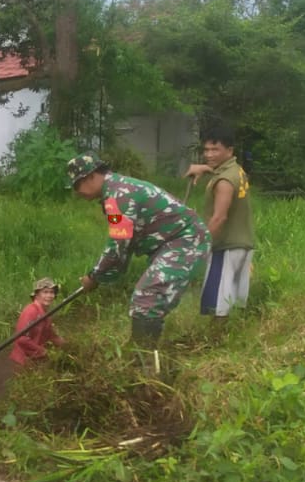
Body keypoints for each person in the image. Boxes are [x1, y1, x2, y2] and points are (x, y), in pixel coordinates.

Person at [68, 154, 210, 361]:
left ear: (90, 176)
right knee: (148, 296)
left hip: (185, 241)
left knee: (147, 297)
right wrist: (101, 275)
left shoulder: (118, 196)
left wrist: (94, 276)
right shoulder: (116, 190)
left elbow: (118, 245)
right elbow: (123, 245)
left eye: (77, 185)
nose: (77, 192)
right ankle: (140, 351)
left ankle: (142, 360)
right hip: (170, 243)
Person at [184, 124, 256, 321]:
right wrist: (204, 168)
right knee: (232, 299)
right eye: (206, 150)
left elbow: (219, 217)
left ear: (229, 150)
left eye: (215, 150)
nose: (209, 154)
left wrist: (201, 246)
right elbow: (221, 171)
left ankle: (215, 337)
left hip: (226, 247)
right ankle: (231, 335)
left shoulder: (224, 181)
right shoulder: (236, 170)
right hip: (243, 243)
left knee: (218, 304)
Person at [8, 277, 65, 366]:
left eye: (52, 292)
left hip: (35, 359)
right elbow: (22, 339)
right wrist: (43, 351)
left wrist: (67, 345)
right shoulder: (31, 311)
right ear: (37, 295)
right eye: (45, 292)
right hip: (23, 361)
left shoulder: (46, 314)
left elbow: (51, 335)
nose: (49, 296)